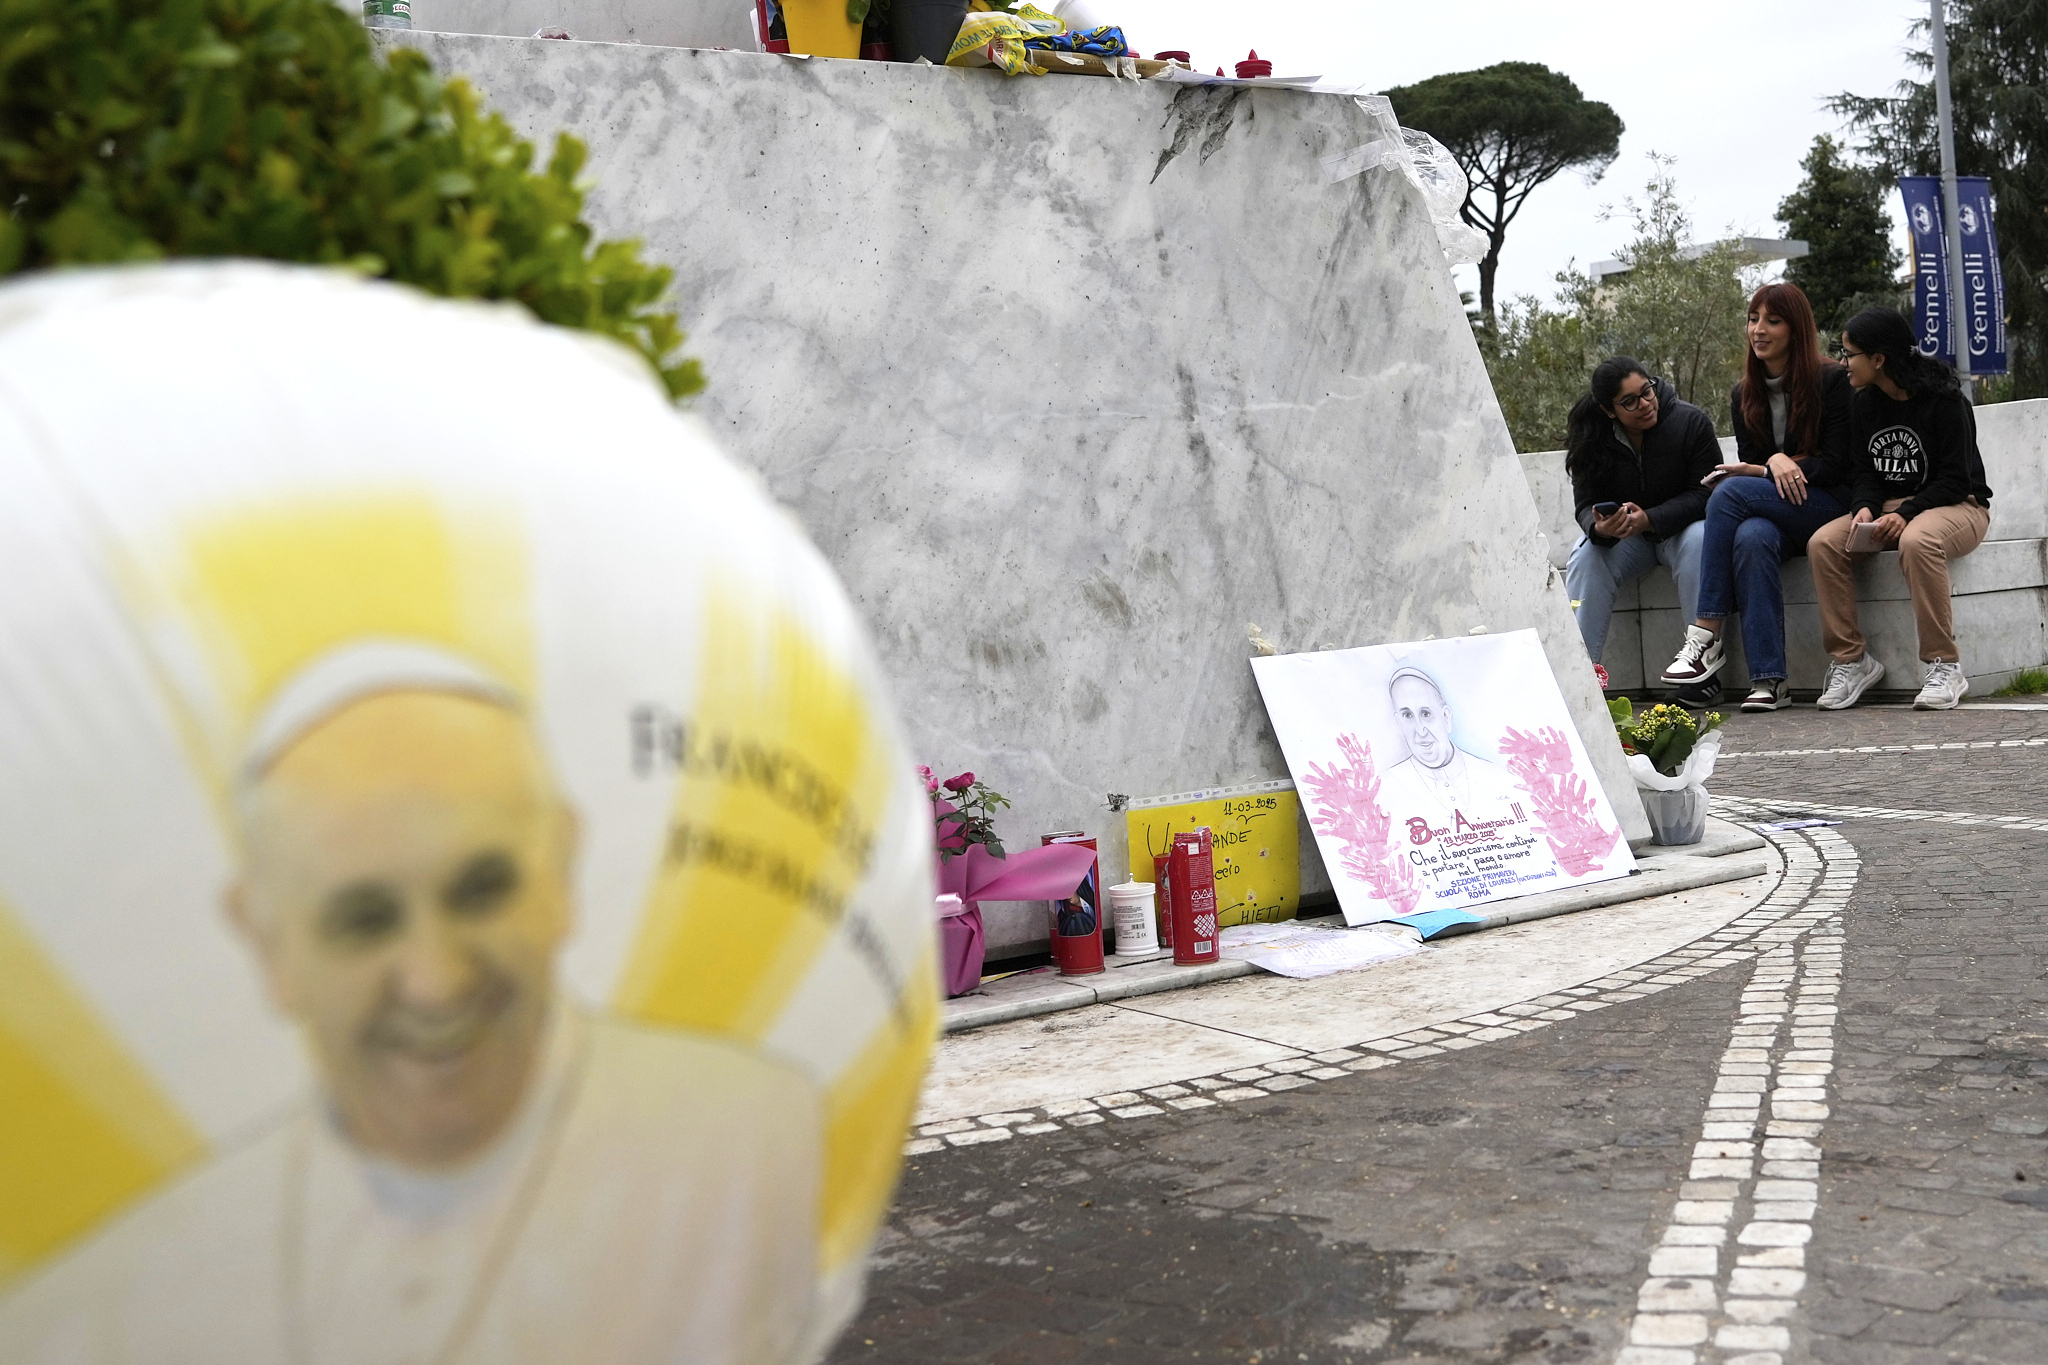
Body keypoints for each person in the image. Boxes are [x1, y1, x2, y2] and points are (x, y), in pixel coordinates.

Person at [1, 643, 823, 1365]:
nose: (436, 980)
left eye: (482, 888)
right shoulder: (128, 1292)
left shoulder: (758, 1138)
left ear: (561, 865)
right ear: (266, 940)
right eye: (363, 920)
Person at [1657, 283, 1855, 711]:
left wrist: (1775, 465)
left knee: (1729, 492)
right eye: (1753, 319)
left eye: (1772, 321)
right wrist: (1770, 466)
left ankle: (1705, 635)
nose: (1758, 330)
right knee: (1751, 537)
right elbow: (1756, 463)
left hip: (1829, 505)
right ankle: (1769, 681)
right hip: (1778, 510)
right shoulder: (1743, 392)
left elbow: (1839, 463)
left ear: (1795, 329)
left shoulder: (1832, 381)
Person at [1805, 307, 1994, 711]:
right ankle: (1852, 661)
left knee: (1917, 541)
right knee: (1824, 544)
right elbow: (1865, 473)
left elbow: (1956, 479)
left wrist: (1905, 513)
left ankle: (1945, 665)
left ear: (1878, 358)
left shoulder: (1944, 400)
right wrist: (1864, 507)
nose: (1842, 362)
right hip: (1896, 508)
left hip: (1959, 505)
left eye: (1849, 353)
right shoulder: (1865, 404)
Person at [1562, 359, 1721, 689]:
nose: (1646, 404)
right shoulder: (1592, 435)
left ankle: (1701, 673)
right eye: (1630, 402)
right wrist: (1599, 527)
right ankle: (1578, 681)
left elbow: (1707, 494)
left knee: (1701, 539)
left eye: (1647, 391)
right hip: (1628, 539)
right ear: (1609, 411)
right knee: (1586, 554)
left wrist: (1651, 518)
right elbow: (1584, 504)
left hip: (1680, 531)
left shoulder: (1690, 422)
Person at [1376, 666, 1523, 827]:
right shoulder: (1383, 790)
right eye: (1408, 715)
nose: (1420, 731)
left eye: (1426, 714)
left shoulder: (1499, 777)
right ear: (1399, 722)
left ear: (1446, 717)